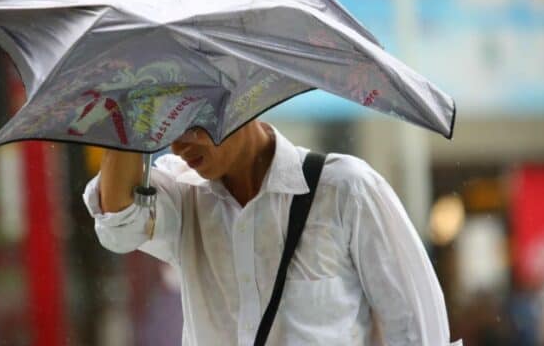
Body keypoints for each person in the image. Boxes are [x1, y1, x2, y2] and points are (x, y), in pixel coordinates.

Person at [84, 120, 462, 345]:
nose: (180, 145)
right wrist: (128, 111)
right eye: (169, 126)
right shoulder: (182, 194)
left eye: (193, 123)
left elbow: (418, 334)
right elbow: (119, 226)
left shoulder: (346, 190)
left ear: (243, 97)